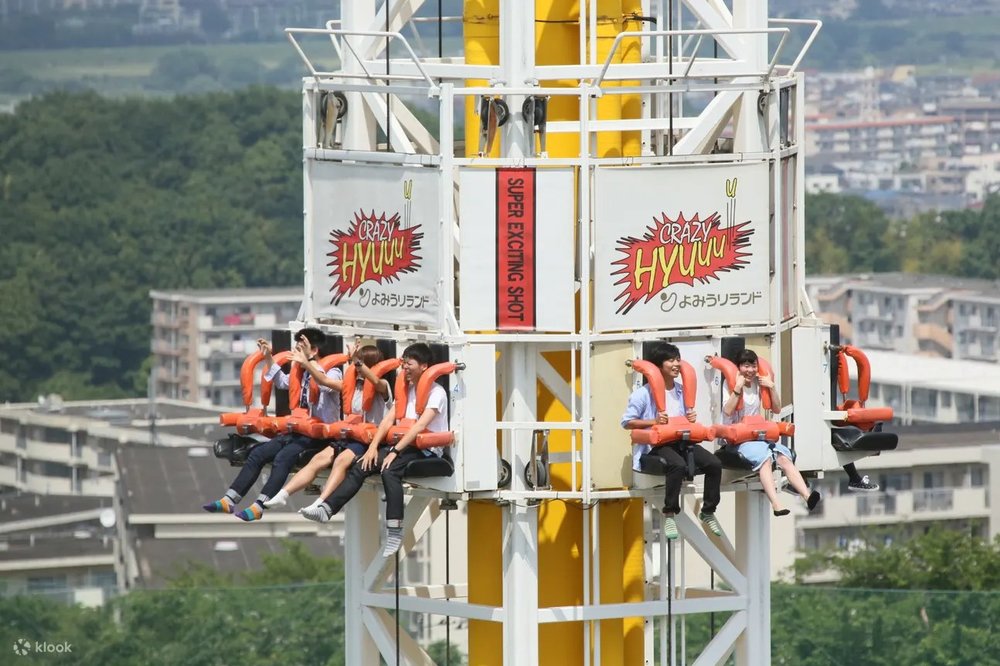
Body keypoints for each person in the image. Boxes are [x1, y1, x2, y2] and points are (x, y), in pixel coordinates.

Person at [302, 343, 448, 559]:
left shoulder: (436, 392)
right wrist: (372, 448)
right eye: (404, 363)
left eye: (410, 363)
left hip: (426, 449)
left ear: (424, 367)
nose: (405, 367)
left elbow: (418, 426)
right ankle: (327, 509)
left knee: (390, 470)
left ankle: (394, 531)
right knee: (362, 464)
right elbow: (389, 420)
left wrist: (394, 452)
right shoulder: (405, 389)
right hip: (403, 444)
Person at [201, 328, 342, 521]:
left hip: (321, 434)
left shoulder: (332, 371)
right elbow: (283, 382)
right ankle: (230, 499)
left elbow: (325, 383)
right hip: (300, 428)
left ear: (314, 350)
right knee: (259, 453)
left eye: (301, 348)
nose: (297, 352)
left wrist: (308, 363)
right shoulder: (301, 371)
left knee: (283, 457)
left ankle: (259, 505)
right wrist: (268, 358)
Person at [262, 343, 391, 511]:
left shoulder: (383, 385)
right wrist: (308, 363)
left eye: (362, 363)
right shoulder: (351, 385)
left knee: (340, 460)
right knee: (318, 459)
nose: (357, 368)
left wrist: (356, 360)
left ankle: (321, 503)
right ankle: (283, 495)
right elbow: (323, 380)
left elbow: (374, 380)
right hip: (351, 435)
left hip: (369, 439)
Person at [621, 342, 723, 541]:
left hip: (682, 441)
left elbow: (684, 417)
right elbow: (626, 422)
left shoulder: (680, 390)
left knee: (714, 463)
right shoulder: (643, 394)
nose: (677, 364)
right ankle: (669, 513)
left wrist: (690, 417)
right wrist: (653, 421)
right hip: (657, 445)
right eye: (671, 360)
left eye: (678, 360)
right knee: (677, 465)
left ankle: (708, 511)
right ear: (659, 366)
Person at [721, 349, 821, 516]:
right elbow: (728, 411)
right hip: (736, 440)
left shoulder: (757, 384)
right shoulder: (730, 384)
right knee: (766, 458)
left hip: (756, 436)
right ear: (738, 368)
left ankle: (807, 495)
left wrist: (772, 387)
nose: (750, 370)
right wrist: (737, 388)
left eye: (753, 366)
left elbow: (776, 408)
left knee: (783, 456)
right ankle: (776, 503)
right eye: (746, 366)